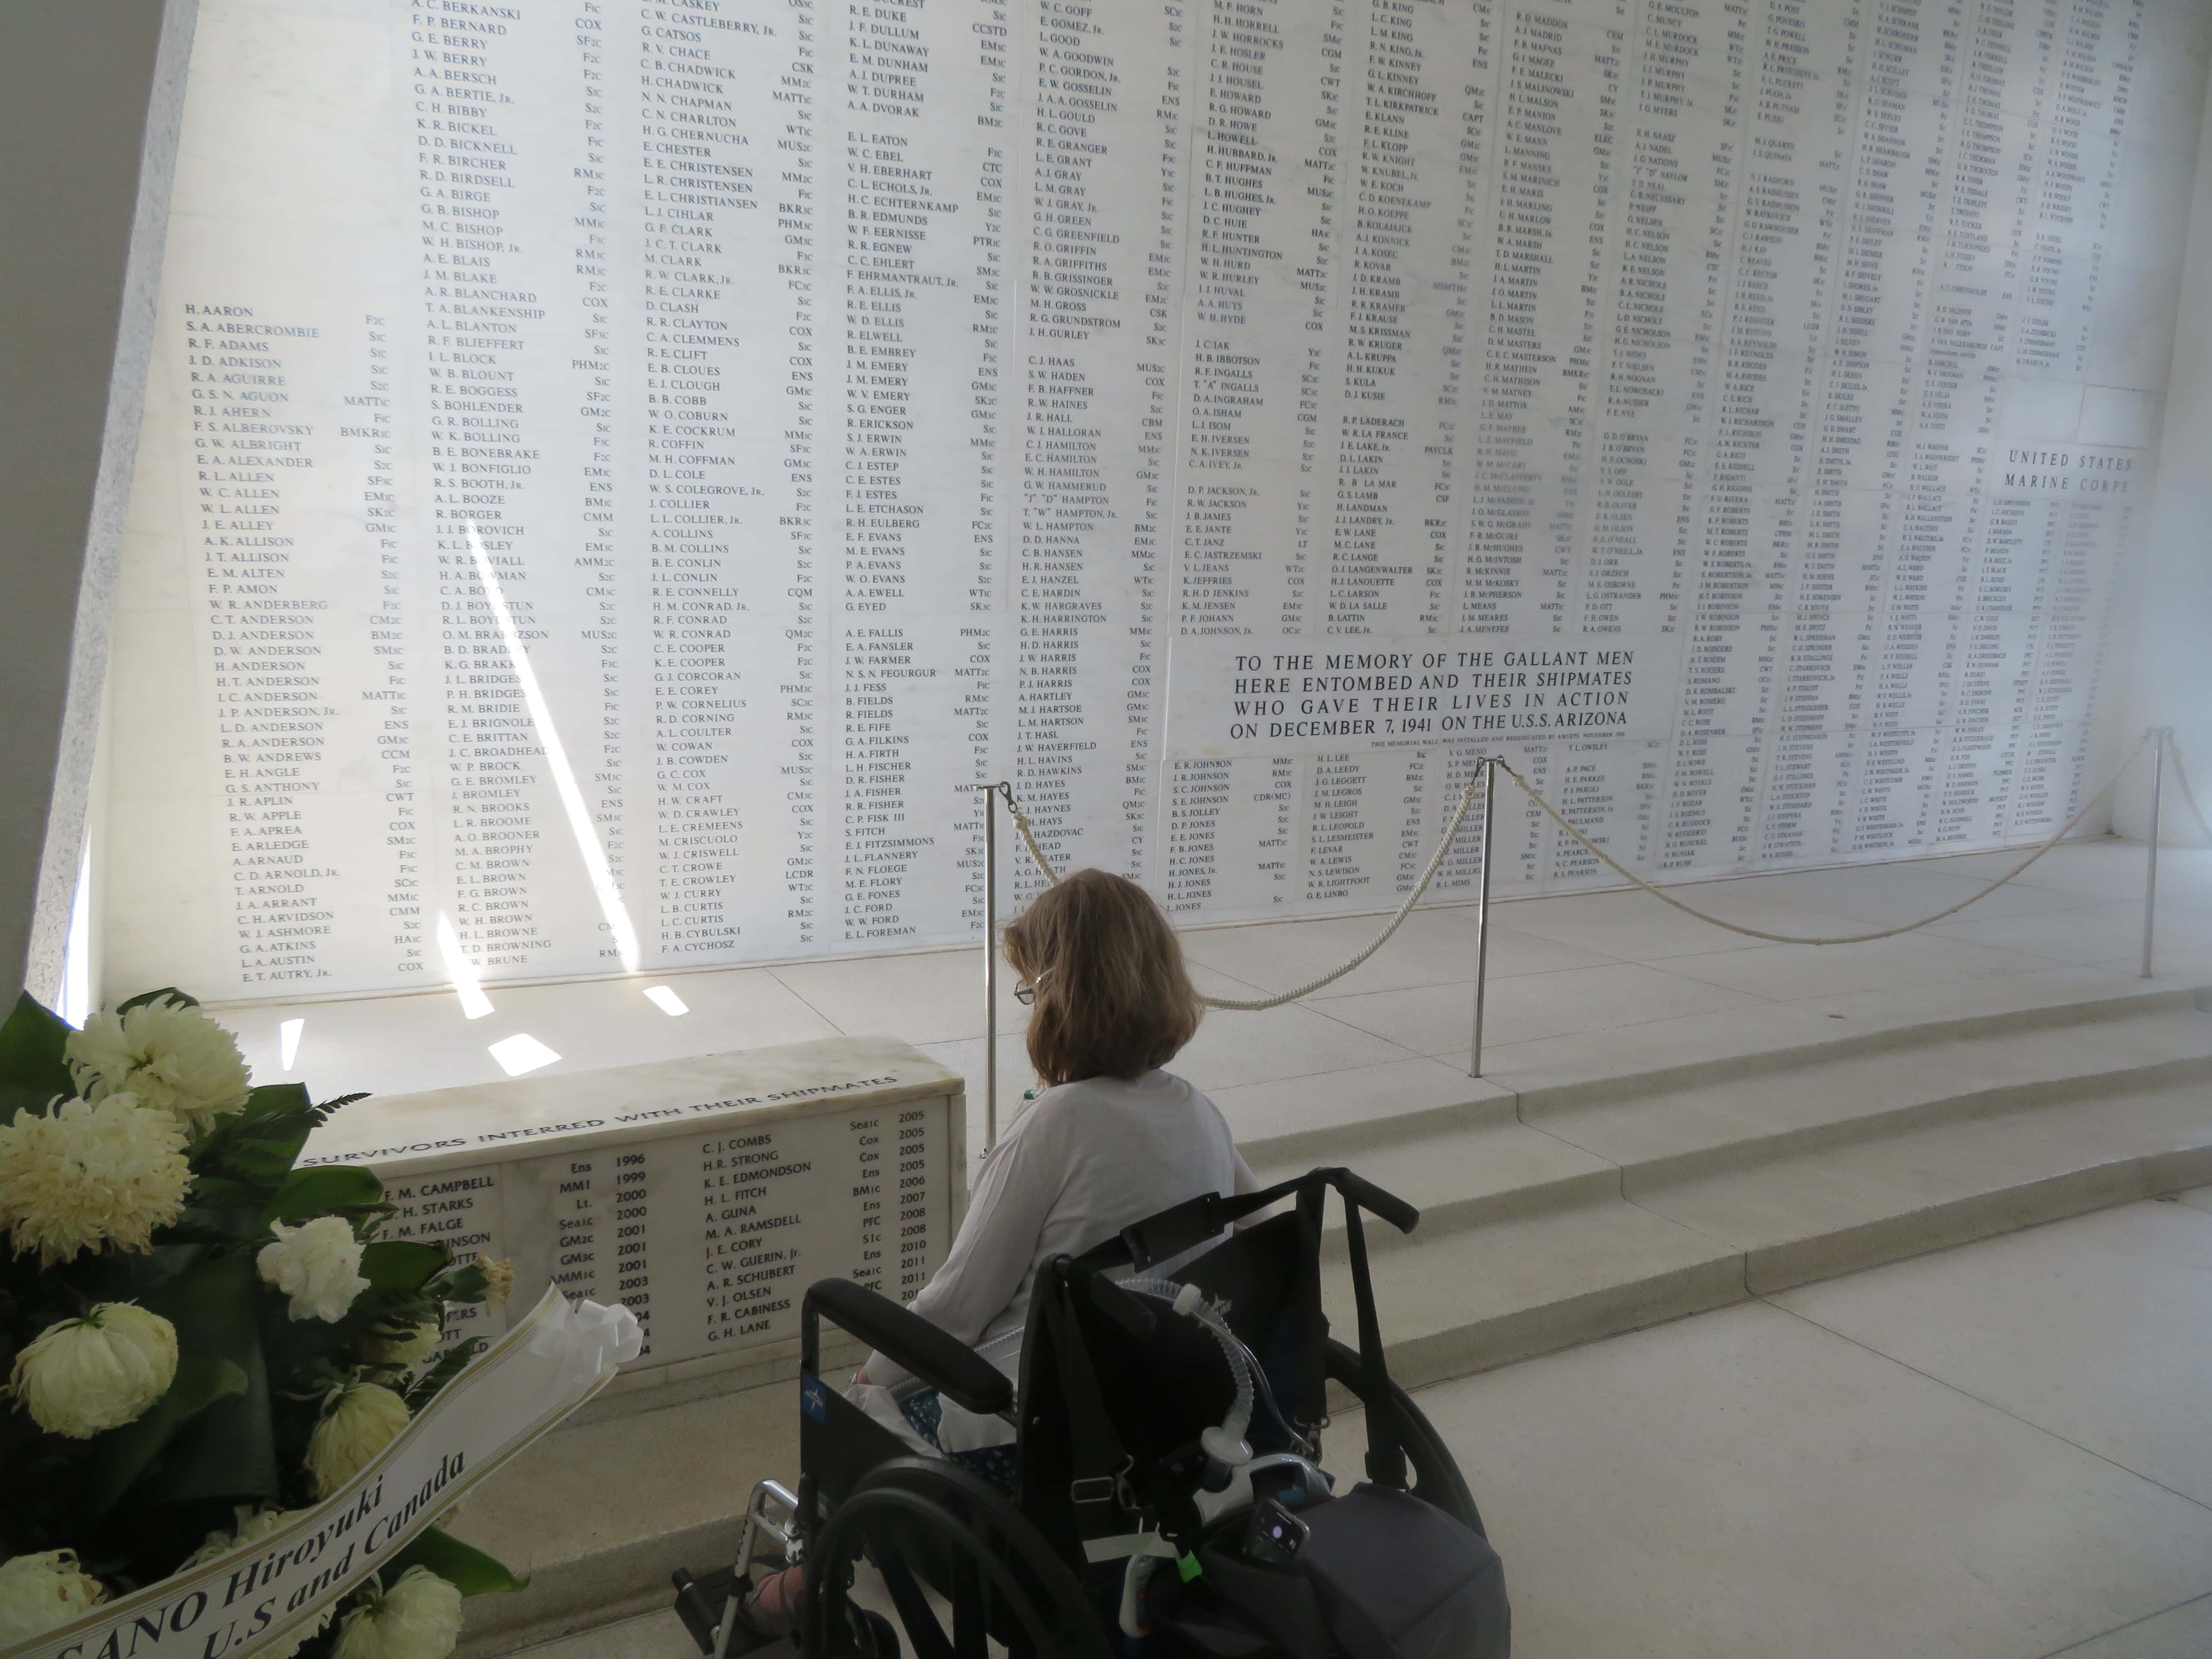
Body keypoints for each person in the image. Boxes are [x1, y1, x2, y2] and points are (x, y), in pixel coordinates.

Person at [739, 868, 1259, 1639]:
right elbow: (1243, 1235)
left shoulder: (1057, 1124)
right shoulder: (1198, 1111)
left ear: (1062, 993)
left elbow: (955, 1308)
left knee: (853, 1406)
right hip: (1167, 1420)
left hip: (1046, 1447)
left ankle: (803, 1586)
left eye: (1032, 989)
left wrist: (870, 1375)